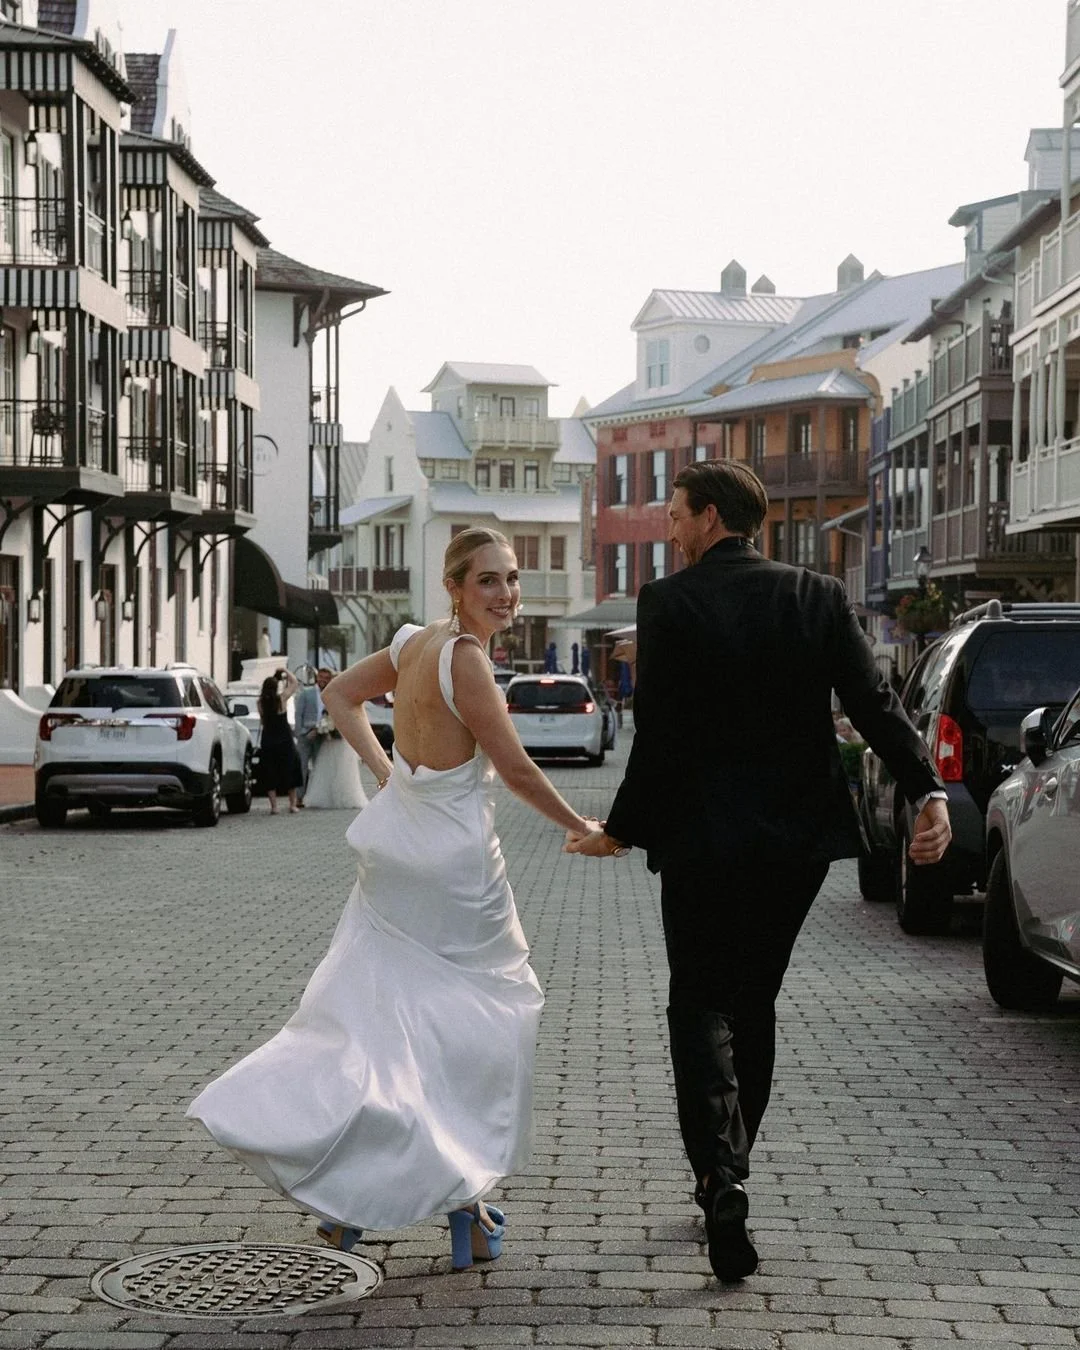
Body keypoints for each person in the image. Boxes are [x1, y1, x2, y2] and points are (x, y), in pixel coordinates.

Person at [566, 461, 951, 1282]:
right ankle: (731, 1169)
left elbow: (660, 735)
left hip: (703, 840)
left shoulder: (669, 604)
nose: (669, 530)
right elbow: (876, 703)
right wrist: (929, 790)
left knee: (696, 1000)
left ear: (710, 518)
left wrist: (621, 831)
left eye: (675, 516)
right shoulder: (816, 597)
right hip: (795, 842)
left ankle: (719, 1174)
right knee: (755, 1001)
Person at [187, 528, 599, 1270]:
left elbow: (342, 695)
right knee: (478, 1027)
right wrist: (584, 828)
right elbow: (515, 768)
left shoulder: (413, 642)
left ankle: (369, 1207)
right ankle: (462, 1200)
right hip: (453, 867)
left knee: (394, 1026)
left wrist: (389, 773)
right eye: (488, 582)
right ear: (455, 587)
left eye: (511, 579)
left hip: (399, 848)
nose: (506, 593)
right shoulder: (464, 661)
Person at [255, 668, 303, 814]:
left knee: (270, 771)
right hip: (284, 738)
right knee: (290, 768)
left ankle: (274, 806)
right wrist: (285, 670)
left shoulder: (260, 702)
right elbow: (295, 683)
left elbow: (263, 721)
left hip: (268, 738)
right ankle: (292, 804)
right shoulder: (281, 699)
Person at [302, 720, 369, 810]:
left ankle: (344, 795)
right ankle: (328, 796)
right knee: (328, 768)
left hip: (343, 740)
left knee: (343, 769)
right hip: (330, 740)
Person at [293, 667, 332, 805]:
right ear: (317, 678)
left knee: (319, 767)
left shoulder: (330, 695)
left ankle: (318, 797)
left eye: (326, 678)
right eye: (321, 677)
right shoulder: (306, 693)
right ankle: (299, 797)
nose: (323, 680)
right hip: (305, 735)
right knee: (302, 766)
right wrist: (300, 733)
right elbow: (298, 714)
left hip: (322, 735)